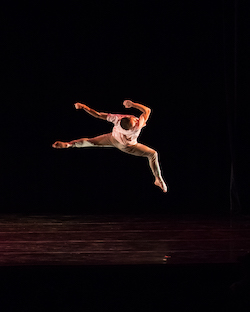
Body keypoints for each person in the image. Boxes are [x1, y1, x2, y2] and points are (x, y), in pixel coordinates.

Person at [52, 100, 168, 192]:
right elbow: (147, 110)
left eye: (133, 118)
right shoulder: (138, 125)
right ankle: (158, 179)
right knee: (153, 154)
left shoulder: (118, 120)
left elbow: (97, 115)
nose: (134, 118)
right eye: (133, 119)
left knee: (91, 142)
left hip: (115, 140)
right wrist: (132, 104)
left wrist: (84, 107)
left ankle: (69, 144)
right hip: (123, 144)